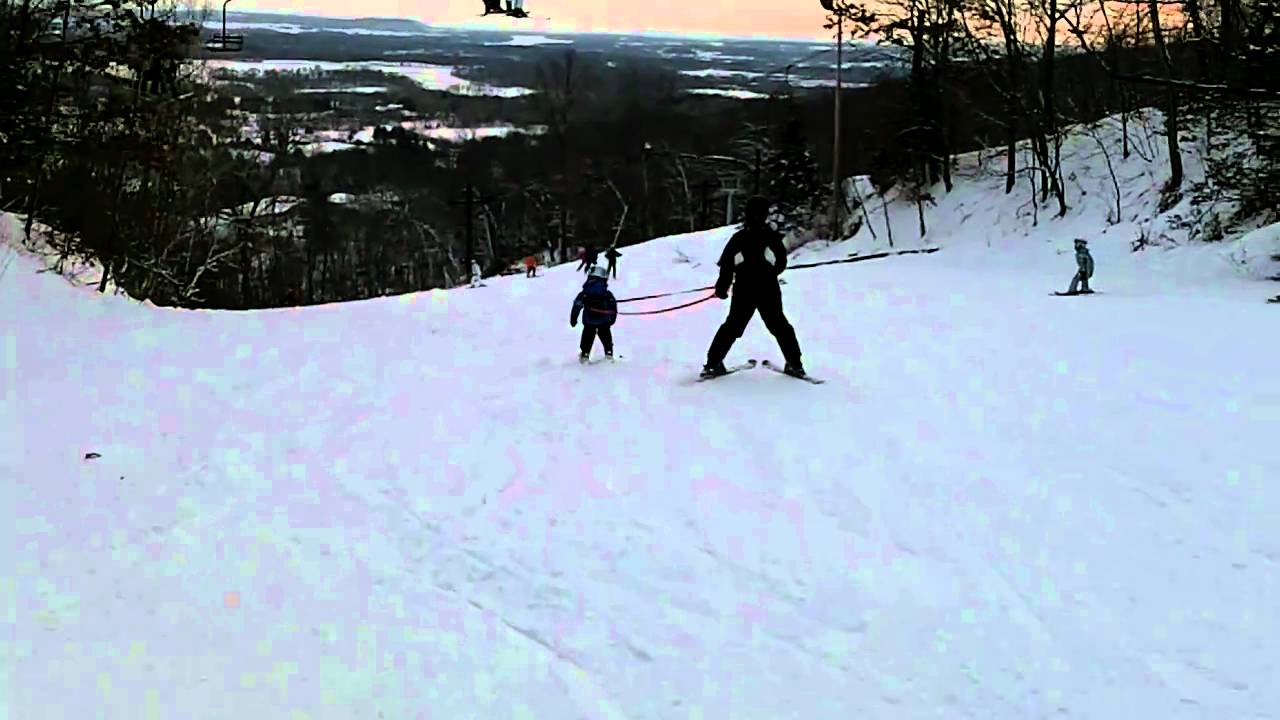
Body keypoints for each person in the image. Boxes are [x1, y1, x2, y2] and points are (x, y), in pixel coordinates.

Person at [702, 196, 804, 378]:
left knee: (732, 326)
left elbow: (727, 266)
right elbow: (781, 263)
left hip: (744, 289)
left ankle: (712, 364)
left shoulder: (739, 238)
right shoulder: (771, 237)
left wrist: (722, 288)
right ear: (765, 215)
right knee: (780, 326)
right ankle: (795, 364)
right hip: (768, 288)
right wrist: (768, 273)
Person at [570, 264, 617, 362]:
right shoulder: (607, 293)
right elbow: (613, 306)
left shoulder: (584, 293)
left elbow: (577, 306)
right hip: (604, 321)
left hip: (589, 321)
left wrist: (573, 319)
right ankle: (608, 353)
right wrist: (612, 319)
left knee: (587, 336)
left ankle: (585, 355)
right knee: (606, 335)